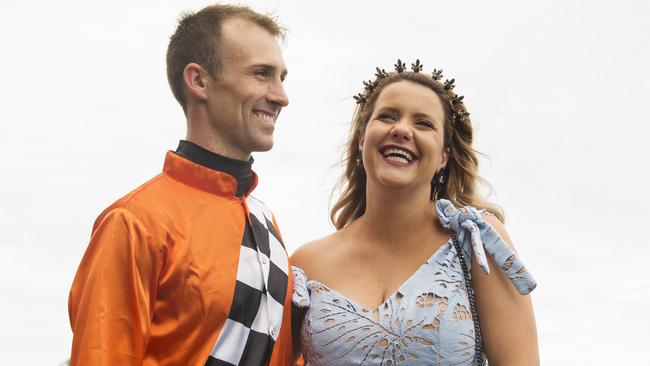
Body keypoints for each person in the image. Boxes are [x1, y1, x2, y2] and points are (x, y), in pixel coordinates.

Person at [68, 4, 293, 365]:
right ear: (199, 81)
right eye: (262, 74)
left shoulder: (267, 222)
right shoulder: (133, 222)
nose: (281, 96)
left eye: (282, 77)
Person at [291, 60, 539, 365]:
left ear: (443, 158)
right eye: (387, 116)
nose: (401, 129)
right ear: (361, 141)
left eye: (423, 123)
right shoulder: (306, 264)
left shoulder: (477, 241)